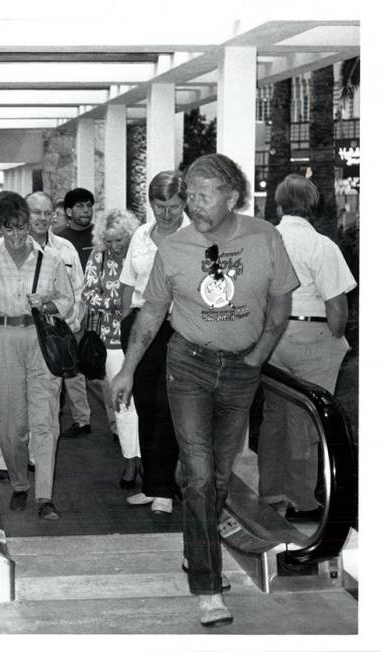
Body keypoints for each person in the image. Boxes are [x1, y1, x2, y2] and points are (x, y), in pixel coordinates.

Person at [110, 153, 299, 627]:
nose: (192, 203)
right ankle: (208, 587)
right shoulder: (174, 248)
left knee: (216, 476)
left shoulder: (265, 238)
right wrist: (127, 368)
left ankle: (198, 551)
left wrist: (257, 357)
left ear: (232, 197)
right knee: (197, 474)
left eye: (202, 194)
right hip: (188, 365)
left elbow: (280, 307)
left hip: (241, 371)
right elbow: (151, 313)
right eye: (188, 193)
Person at [0, 192, 74, 521]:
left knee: (46, 421)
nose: (19, 235)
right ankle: (20, 482)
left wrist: (47, 304)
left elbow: (67, 301)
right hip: (2, 341)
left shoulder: (49, 259)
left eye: (23, 228)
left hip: (41, 341)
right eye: (11, 229)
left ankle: (45, 496)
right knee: (11, 426)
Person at [258, 174, 357, 519]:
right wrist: (336, 336)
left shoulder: (264, 240)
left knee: (274, 418)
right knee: (306, 420)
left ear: (280, 204)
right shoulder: (322, 246)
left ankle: (270, 493)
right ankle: (302, 501)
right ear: (312, 207)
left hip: (272, 338)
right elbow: (337, 307)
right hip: (311, 336)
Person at [118, 171, 192, 514]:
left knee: (168, 407)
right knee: (145, 406)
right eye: (159, 205)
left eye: (173, 206)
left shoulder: (196, 237)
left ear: (185, 202)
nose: (166, 213)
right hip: (140, 327)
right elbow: (126, 283)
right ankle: (152, 484)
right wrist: (125, 325)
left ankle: (165, 487)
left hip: (178, 328)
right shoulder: (141, 236)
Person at [82, 209, 141, 487]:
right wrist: (118, 304)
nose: (115, 247)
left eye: (120, 241)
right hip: (112, 339)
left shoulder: (141, 256)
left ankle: (149, 460)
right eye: (110, 241)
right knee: (122, 403)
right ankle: (131, 460)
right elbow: (89, 293)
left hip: (144, 336)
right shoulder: (98, 257)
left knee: (148, 403)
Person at [55, 187, 97, 439]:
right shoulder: (59, 240)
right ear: (69, 211)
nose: (86, 211)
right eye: (81, 206)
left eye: (89, 206)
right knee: (71, 368)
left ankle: (117, 427)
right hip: (70, 314)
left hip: (100, 312)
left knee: (99, 370)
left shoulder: (101, 237)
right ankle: (81, 420)